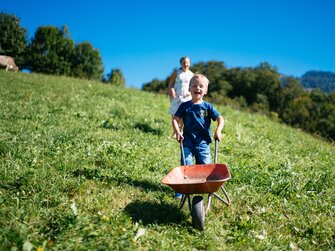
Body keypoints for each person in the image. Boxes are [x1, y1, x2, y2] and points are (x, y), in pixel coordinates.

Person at [172, 73, 224, 198]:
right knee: (186, 165)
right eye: (194, 86)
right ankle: (181, 190)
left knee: (205, 167)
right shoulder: (185, 106)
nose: (198, 88)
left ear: (205, 90)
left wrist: (218, 130)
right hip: (187, 141)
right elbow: (175, 119)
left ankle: (204, 188)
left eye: (201, 86)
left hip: (203, 143)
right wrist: (178, 131)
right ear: (189, 89)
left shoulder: (208, 107)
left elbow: (220, 119)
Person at [168, 56, 194, 135]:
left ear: (189, 64)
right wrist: (171, 90)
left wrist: (190, 92)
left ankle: (181, 130)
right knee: (175, 113)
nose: (185, 64)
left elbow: (193, 86)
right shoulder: (177, 72)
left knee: (184, 114)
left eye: (187, 63)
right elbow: (171, 83)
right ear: (181, 64)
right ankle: (175, 131)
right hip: (176, 96)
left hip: (186, 97)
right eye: (184, 63)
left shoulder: (191, 74)